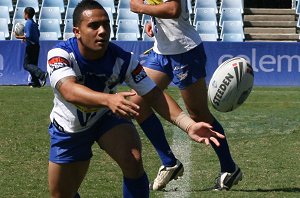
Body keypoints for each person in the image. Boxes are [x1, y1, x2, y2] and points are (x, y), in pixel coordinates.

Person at [46, 1, 225, 197]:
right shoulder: (60, 54)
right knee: (62, 194)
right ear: (77, 31)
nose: (102, 31)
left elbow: (154, 95)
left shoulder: (123, 59)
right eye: (94, 25)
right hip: (70, 127)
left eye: (106, 24)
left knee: (133, 159)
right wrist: (108, 99)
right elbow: (69, 90)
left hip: (107, 117)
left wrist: (189, 125)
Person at [130, 0, 243, 191]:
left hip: (186, 52)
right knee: (137, 103)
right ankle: (169, 163)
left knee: (199, 115)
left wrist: (142, 8)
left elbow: (173, 9)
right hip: (160, 52)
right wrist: (153, 21)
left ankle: (229, 168)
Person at [15, 7, 48, 88]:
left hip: (31, 47)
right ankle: (36, 83)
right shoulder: (33, 23)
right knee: (33, 65)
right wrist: (26, 38)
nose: (23, 15)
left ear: (26, 14)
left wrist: (19, 37)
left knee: (26, 65)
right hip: (36, 46)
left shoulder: (28, 23)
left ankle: (42, 74)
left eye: (24, 13)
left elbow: (28, 36)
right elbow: (38, 34)